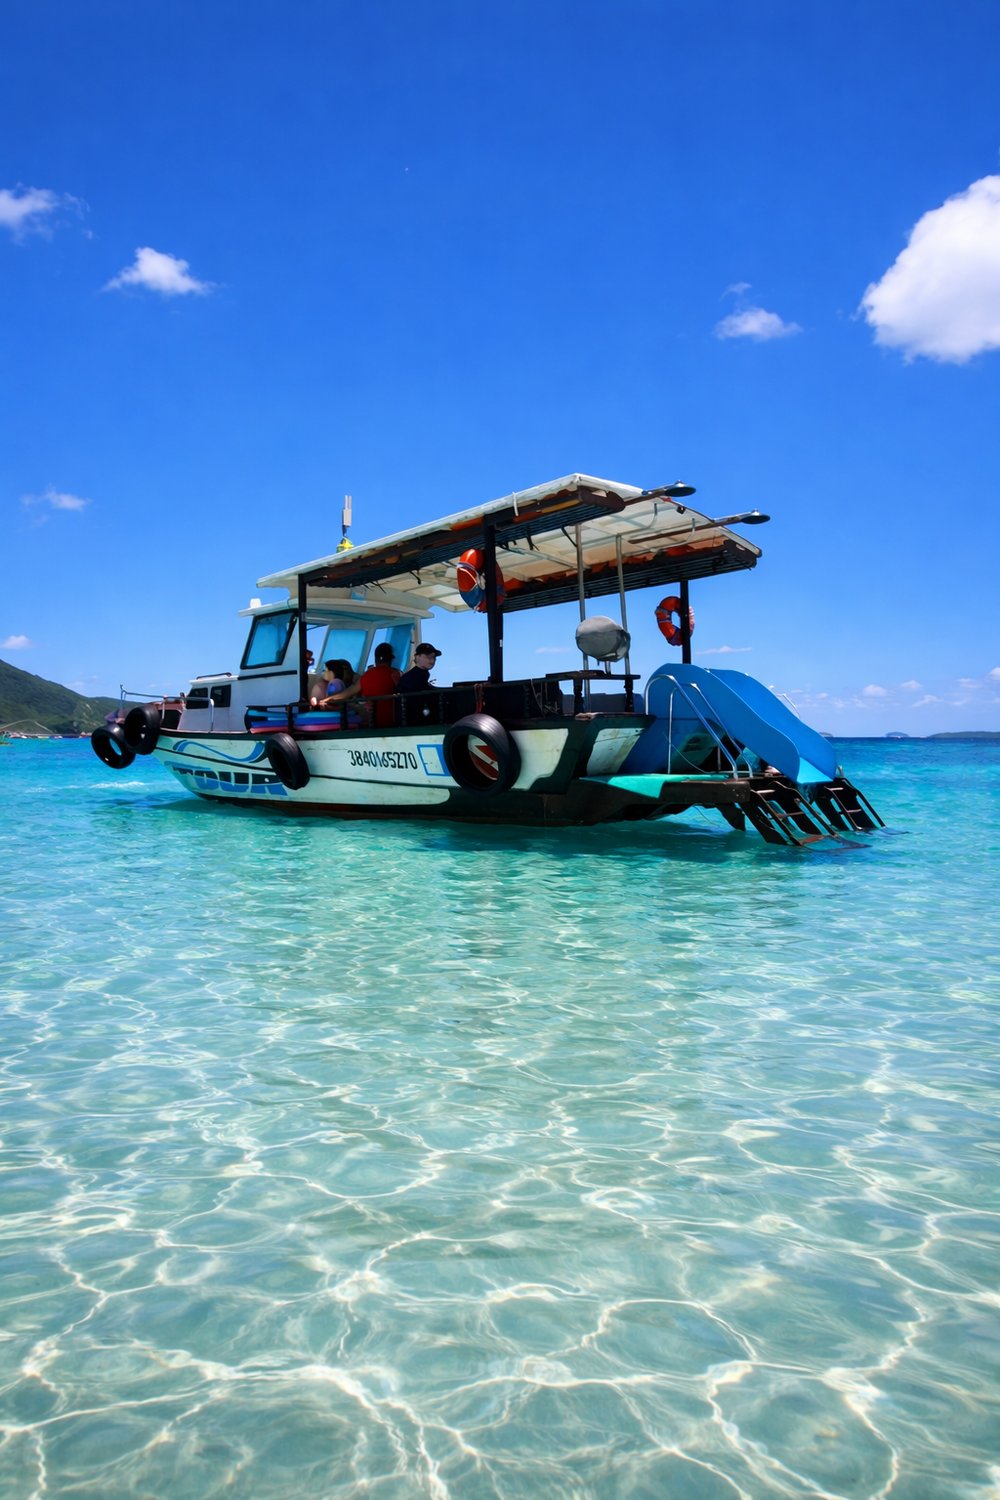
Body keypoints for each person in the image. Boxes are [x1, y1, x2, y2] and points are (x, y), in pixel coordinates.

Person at [359, 644, 401, 728]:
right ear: (391, 659)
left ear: (375, 659)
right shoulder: (395, 674)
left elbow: (349, 692)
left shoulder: (366, 675)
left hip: (371, 723)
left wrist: (328, 699)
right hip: (392, 722)